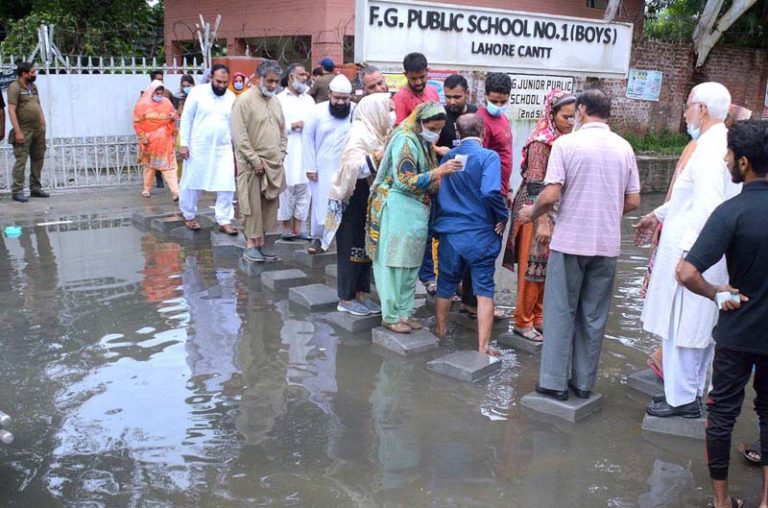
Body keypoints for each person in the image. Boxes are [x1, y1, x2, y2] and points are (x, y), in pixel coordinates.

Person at [518, 89, 641, 401]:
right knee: (593, 315)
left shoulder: (566, 144)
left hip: (570, 241)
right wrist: (604, 211)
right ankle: (583, 384)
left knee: (561, 312)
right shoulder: (624, 148)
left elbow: (550, 195)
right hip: (607, 245)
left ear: (583, 110)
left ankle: (554, 384)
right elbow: (634, 200)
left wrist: (532, 213)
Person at [676, 119, 768, 508]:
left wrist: (715, 292)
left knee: (723, 413)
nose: (726, 160)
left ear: (743, 163)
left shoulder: (731, 212)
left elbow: (685, 272)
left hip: (738, 330)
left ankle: (721, 501)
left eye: (729, 154)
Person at [636, 82, 739, 419]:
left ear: (703, 109)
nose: (684, 113)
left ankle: (682, 399)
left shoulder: (710, 150)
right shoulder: (714, 144)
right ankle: (686, 394)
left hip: (695, 255)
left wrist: (690, 257)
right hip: (700, 251)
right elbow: (686, 200)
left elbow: (708, 207)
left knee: (685, 326)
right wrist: (656, 214)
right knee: (690, 326)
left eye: (688, 106)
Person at [366, 102, 461, 333]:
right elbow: (404, 180)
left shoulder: (422, 140)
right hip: (397, 206)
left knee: (410, 264)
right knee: (393, 264)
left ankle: (405, 314)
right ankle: (390, 316)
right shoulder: (406, 140)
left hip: (416, 211)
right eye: (432, 127)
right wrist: (440, 170)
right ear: (420, 122)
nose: (435, 133)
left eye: (439, 129)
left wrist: (437, 151)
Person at [503, 90, 577, 342]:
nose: (571, 122)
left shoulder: (565, 140)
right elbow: (535, 184)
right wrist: (541, 221)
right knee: (530, 269)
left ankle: (538, 317)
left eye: (574, 117)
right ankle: (522, 321)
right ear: (552, 114)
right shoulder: (540, 142)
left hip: (551, 210)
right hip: (533, 211)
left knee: (545, 269)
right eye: (566, 117)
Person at [433, 114, 508, 354]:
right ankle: (483, 347)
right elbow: (490, 192)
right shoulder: (488, 157)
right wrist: (502, 216)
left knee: (445, 283)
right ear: (484, 131)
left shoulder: (449, 157)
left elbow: (437, 191)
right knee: (484, 289)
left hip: (450, 232)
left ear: (457, 133)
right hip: (480, 234)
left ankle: (441, 332)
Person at [323, 93, 392, 316]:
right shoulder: (358, 133)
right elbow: (354, 167)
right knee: (350, 249)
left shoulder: (377, 132)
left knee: (366, 249)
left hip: (369, 199)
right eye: (387, 109)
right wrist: (378, 155)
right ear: (375, 111)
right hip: (352, 198)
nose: (390, 115)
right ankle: (346, 297)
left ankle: (362, 294)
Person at [426, 73, 477, 301]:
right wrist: (444, 152)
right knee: (440, 231)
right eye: (448, 97)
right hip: (444, 182)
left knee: (463, 233)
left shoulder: (476, 114)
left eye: (457, 96)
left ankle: (460, 284)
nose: (452, 101)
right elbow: (429, 144)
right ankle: (436, 279)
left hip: (468, 185)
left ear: (467, 94)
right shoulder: (441, 115)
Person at [231, 59, 287, 262]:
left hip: (273, 164)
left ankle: (262, 244)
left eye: (276, 81)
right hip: (251, 165)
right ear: (258, 78)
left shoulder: (276, 101)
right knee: (251, 206)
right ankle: (250, 245)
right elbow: (239, 136)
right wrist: (255, 161)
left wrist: (281, 154)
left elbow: (283, 132)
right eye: (269, 80)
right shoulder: (244, 100)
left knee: (269, 207)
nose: (273, 85)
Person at [178, 64, 238, 235]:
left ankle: (224, 220)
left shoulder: (231, 97)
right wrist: (184, 143)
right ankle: (189, 215)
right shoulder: (198, 93)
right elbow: (187, 118)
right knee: (192, 182)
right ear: (211, 77)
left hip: (223, 147)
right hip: (198, 146)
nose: (222, 85)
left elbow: (234, 123)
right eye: (219, 81)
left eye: (225, 82)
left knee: (227, 184)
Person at [302, 74, 355, 254]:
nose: (341, 102)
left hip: (347, 168)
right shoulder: (316, 112)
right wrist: (310, 167)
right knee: (321, 204)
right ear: (330, 94)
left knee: (346, 205)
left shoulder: (355, 111)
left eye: (345, 99)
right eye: (337, 98)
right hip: (322, 167)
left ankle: (344, 241)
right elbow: (307, 139)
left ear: (350, 97)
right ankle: (318, 239)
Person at [276, 63, 314, 240]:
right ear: (291, 77)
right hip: (288, 149)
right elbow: (274, 126)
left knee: (305, 189)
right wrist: (292, 126)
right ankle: (286, 228)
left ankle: (299, 228)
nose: (305, 77)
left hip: (306, 150)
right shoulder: (279, 99)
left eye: (305, 74)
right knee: (287, 189)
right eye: (301, 74)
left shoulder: (309, 100)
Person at [8, 62, 48, 203]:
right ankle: (17, 190)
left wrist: (43, 122)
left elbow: (38, 105)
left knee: (38, 158)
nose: (35, 74)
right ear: (24, 74)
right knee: (21, 161)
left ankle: (35, 188)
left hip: (38, 130)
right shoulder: (14, 87)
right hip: (24, 130)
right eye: (32, 72)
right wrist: (18, 132)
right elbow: (11, 110)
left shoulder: (33, 86)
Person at [133, 80, 180, 200]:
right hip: (149, 142)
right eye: (157, 93)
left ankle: (175, 191)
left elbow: (174, 115)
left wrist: (173, 116)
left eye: (161, 93)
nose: (159, 96)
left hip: (165, 141)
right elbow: (137, 123)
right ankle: (146, 188)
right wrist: (142, 136)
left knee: (169, 167)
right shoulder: (142, 105)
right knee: (149, 167)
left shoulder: (167, 102)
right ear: (151, 92)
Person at [392, 52, 440, 125]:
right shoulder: (400, 98)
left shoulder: (433, 91)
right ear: (406, 75)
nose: (418, 82)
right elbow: (399, 130)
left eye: (422, 77)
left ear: (427, 71)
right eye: (413, 79)